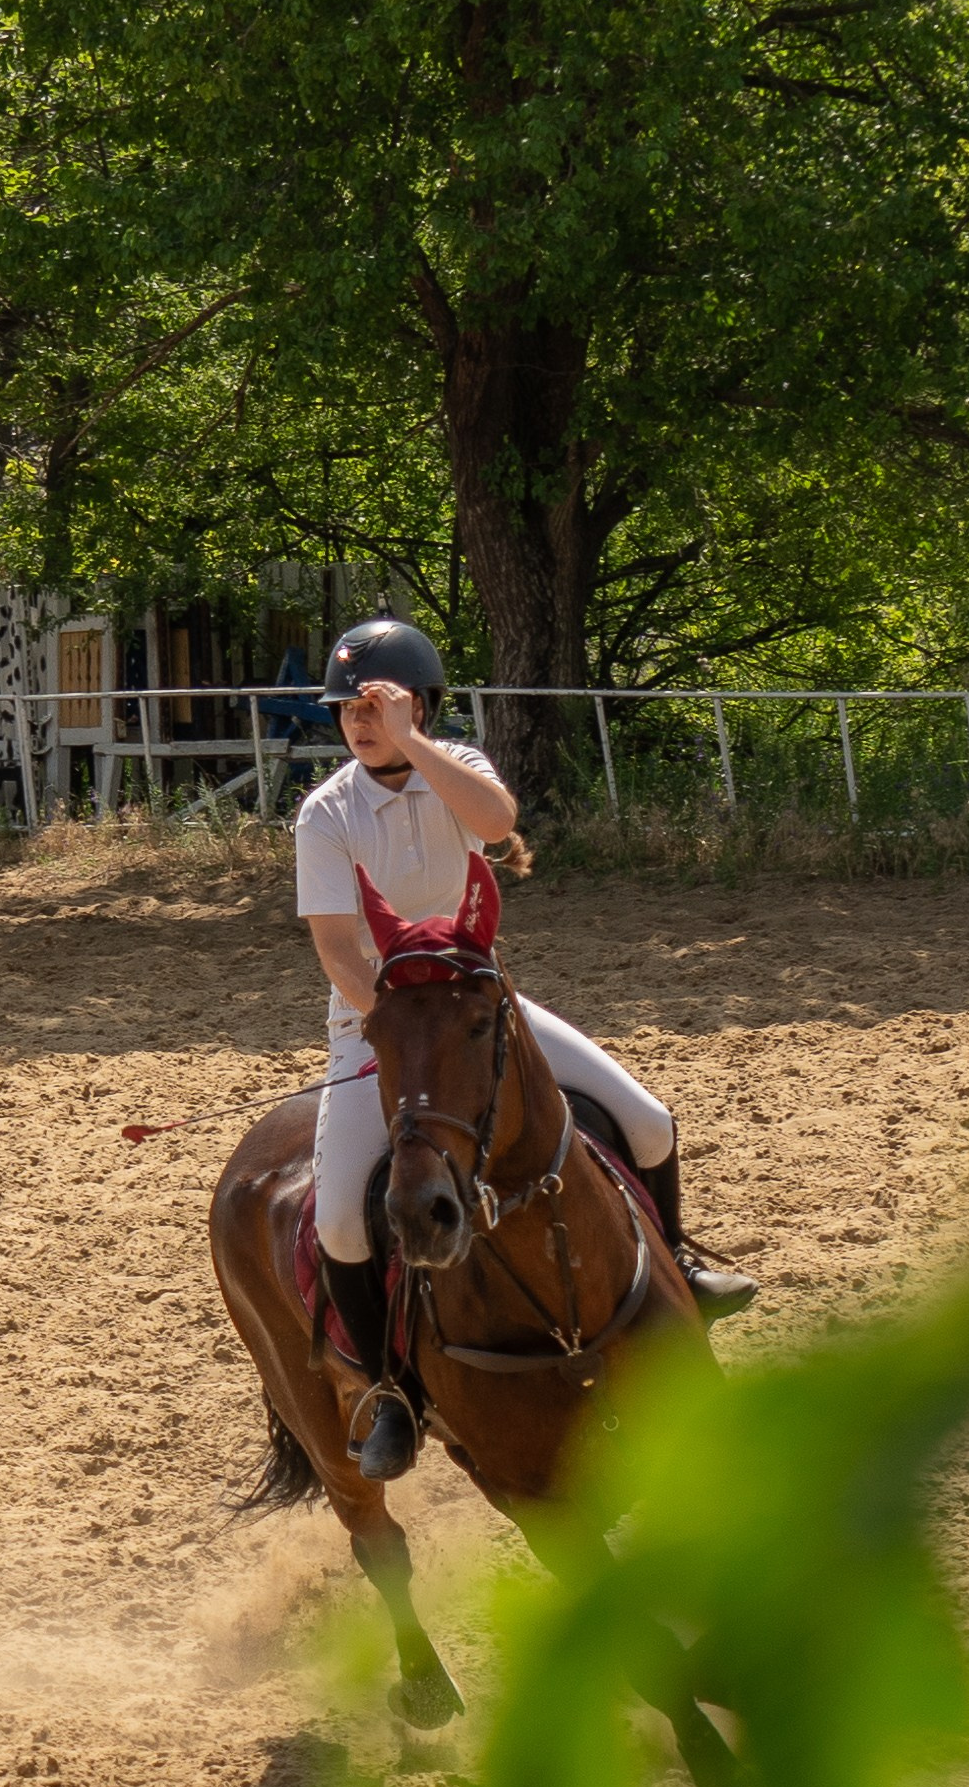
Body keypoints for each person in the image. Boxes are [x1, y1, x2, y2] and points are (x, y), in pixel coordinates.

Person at [295, 616, 757, 1481]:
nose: (358, 724)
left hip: (484, 1013)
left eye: (375, 707)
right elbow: (335, 948)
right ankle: (393, 1390)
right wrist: (397, 1026)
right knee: (338, 1222)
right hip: (378, 1026)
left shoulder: (456, 768)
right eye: (348, 712)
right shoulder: (326, 812)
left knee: (648, 1122)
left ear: (420, 705)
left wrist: (411, 743)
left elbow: (496, 818)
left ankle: (681, 1267)